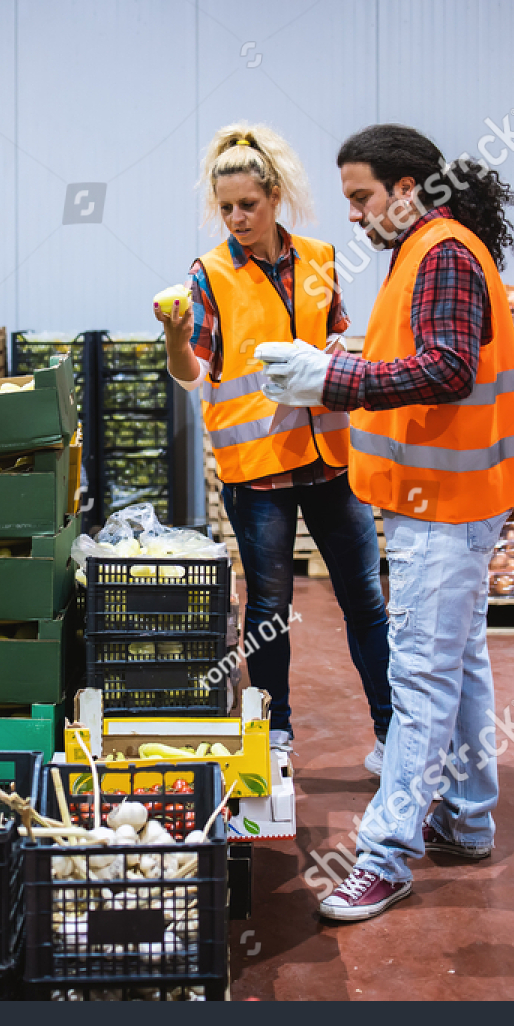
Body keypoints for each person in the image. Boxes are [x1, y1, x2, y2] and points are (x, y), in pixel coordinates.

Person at [258, 124, 514, 922]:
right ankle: (466, 817)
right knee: (460, 662)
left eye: (361, 197)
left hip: (442, 509)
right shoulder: (421, 252)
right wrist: (339, 357)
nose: (354, 214)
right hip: (443, 502)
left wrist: (335, 377)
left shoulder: (442, 251)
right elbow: (416, 351)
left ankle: (385, 856)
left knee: (419, 677)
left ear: (408, 188)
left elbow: (449, 367)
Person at [154, 122, 392, 765]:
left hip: (331, 461)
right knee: (269, 609)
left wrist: (336, 354)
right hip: (256, 470)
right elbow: (191, 373)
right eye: (226, 207)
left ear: (275, 195)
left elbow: (336, 334)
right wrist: (176, 338)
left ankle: (392, 732)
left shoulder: (319, 259)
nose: (236, 218)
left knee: (366, 599)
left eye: (248, 205)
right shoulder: (208, 275)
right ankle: (278, 731)